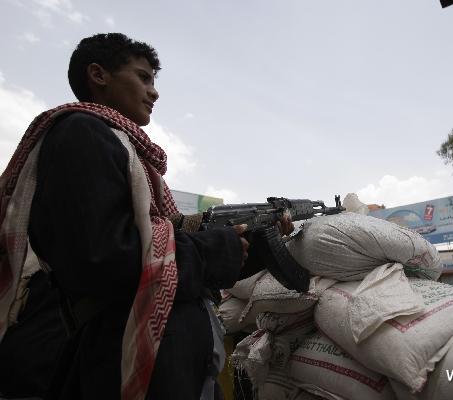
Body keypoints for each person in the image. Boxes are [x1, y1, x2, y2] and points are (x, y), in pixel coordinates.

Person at [0, 33, 292, 400]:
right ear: (98, 75)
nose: (154, 93)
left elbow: (170, 259)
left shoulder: (124, 151)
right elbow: (102, 258)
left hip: (163, 355)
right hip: (128, 353)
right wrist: (213, 248)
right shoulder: (81, 133)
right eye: (143, 77)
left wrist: (256, 247)